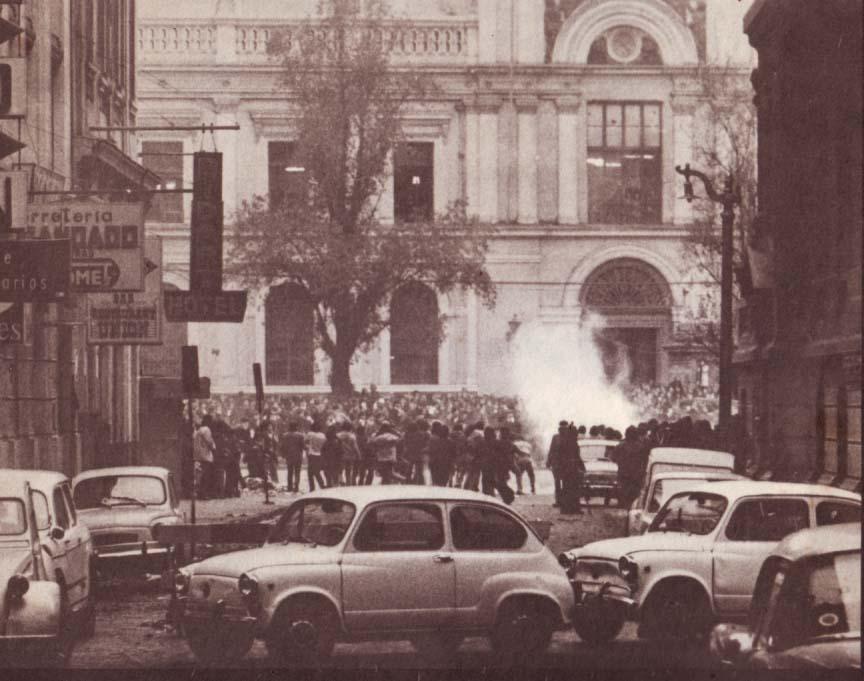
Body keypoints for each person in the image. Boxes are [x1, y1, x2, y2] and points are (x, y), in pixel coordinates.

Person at [559, 424, 585, 514]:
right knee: (574, 489)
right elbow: (576, 456)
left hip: (566, 468)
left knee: (567, 488)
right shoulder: (573, 443)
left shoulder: (564, 442)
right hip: (571, 468)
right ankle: (573, 508)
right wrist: (581, 466)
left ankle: (566, 508)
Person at [193, 415, 216, 499]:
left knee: (201, 474)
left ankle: (200, 492)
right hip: (205, 455)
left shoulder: (199, 430)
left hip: (198, 455)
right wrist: (214, 447)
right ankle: (204, 493)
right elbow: (209, 441)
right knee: (206, 475)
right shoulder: (206, 430)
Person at [546, 421, 568, 507]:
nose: (563, 429)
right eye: (561, 427)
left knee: (566, 483)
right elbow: (551, 449)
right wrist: (549, 461)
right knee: (557, 482)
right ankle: (558, 501)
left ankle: (565, 501)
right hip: (557, 463)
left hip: (566, 463)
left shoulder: (569, 437)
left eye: (564, 427)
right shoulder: (555, 437)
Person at [280, 421, 305, 493]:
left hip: (289, 456)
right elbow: (303, 446)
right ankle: (296, 487)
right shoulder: (300, 435)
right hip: (298, 456)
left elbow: (282, 447)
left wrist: (283, 455)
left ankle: (289, 487)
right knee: (297, 472)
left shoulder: (285, 435)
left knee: (290, 472)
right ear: (296, 427)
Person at [304, 420, 327, 491]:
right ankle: (321, 485)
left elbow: (305, 441)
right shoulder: (323, 435)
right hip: (320, 455)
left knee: (310, 472)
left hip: (312, 454)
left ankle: (313, 487)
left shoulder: (310, 434)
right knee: (316, 471)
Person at [337, 421, 362, 486]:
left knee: (340, 469)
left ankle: (341, 479)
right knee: (348, 471)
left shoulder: (338, 435)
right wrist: (359, 456)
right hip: (350, 455)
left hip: (340, 455)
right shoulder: (352, 436)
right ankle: (348, 484)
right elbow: (355, 447)